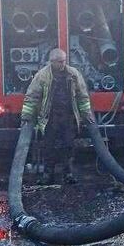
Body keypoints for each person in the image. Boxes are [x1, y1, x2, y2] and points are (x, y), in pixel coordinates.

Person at [21, 48, 94, 184]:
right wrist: (27, 115)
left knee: (68, 145)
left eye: (64, 61)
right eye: (60, 62)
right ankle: (48, 175)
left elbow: (82, 95)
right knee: (49, 147)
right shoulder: (42, 76)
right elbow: (32, 96)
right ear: (52, 62)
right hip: (50, 118)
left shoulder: (73, 74)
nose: (63, 64)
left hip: (68, 117)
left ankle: (67, 174)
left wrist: (86, 113)